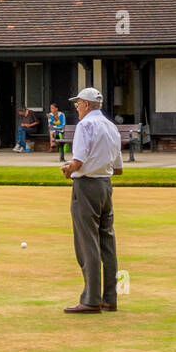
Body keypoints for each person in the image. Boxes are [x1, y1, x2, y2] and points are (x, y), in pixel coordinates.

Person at [60, 87, 123, 314]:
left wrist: (68, 169)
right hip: (106, 185)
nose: (77, 108)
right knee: (107, 241)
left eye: (78, 104)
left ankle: (91, 299)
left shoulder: (85, 125)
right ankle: (110, 297)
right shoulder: (111, 126)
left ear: (86, 105)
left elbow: (77, 160)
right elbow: (118, 169)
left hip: (86, 186)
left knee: (88, 243)